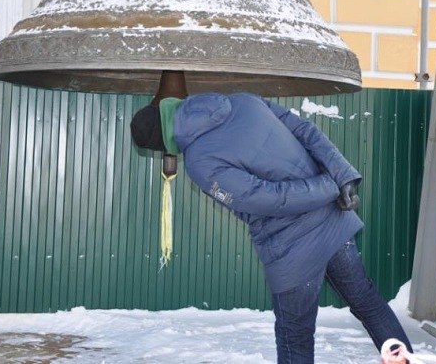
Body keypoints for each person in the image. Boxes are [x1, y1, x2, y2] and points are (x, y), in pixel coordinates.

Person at [130, 92, 413, 363]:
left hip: (292, 247)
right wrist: (340, 176)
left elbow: (264, 199)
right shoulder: (242, 100)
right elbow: (305, 130)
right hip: (332, 222)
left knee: (295, 337)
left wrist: (329, 185)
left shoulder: (198, 162)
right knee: (367, 302)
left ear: (163, 142)